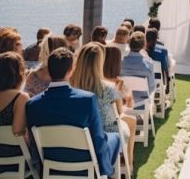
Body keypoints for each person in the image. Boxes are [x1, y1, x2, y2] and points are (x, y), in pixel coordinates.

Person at [26, 48, 120, 178]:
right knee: (115, 137)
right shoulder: (87, 99)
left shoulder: (32, 104)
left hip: (51, 165)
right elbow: (98, 138)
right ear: (71, 70)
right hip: (86, 165)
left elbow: (34, 143)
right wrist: (103, 168)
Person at [70, 43, 136, 172]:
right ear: (99, 64)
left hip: (76, 135)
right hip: (105, 134)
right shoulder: (109, 88)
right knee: (128, 122)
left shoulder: (70, 86)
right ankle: (128, 165)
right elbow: (119, 112)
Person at [121, 31, 156, 100]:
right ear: (143, 45)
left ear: (129, 44)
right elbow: (152, 87)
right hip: (143, 100)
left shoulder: (120, 63)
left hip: (124, 99)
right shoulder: (148, 64)